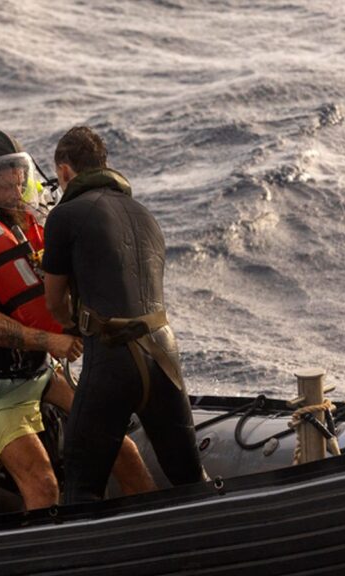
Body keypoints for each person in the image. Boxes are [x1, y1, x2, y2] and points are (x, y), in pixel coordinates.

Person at [0, 128, 155, 510]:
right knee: (43, 483)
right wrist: (51, 341)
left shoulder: (22, 228)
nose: (18, 188)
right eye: (5, 181)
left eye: (20, 176)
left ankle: (151, 530)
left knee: (122, 448)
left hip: (38, 373)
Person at [42, 126, 205, 504]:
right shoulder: (144, 214)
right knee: (189, 477)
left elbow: (53, 301)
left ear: (65, 172)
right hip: (164, 352)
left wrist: (72, 328)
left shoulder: (66, 215)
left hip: (113, 357)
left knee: (82, 487)